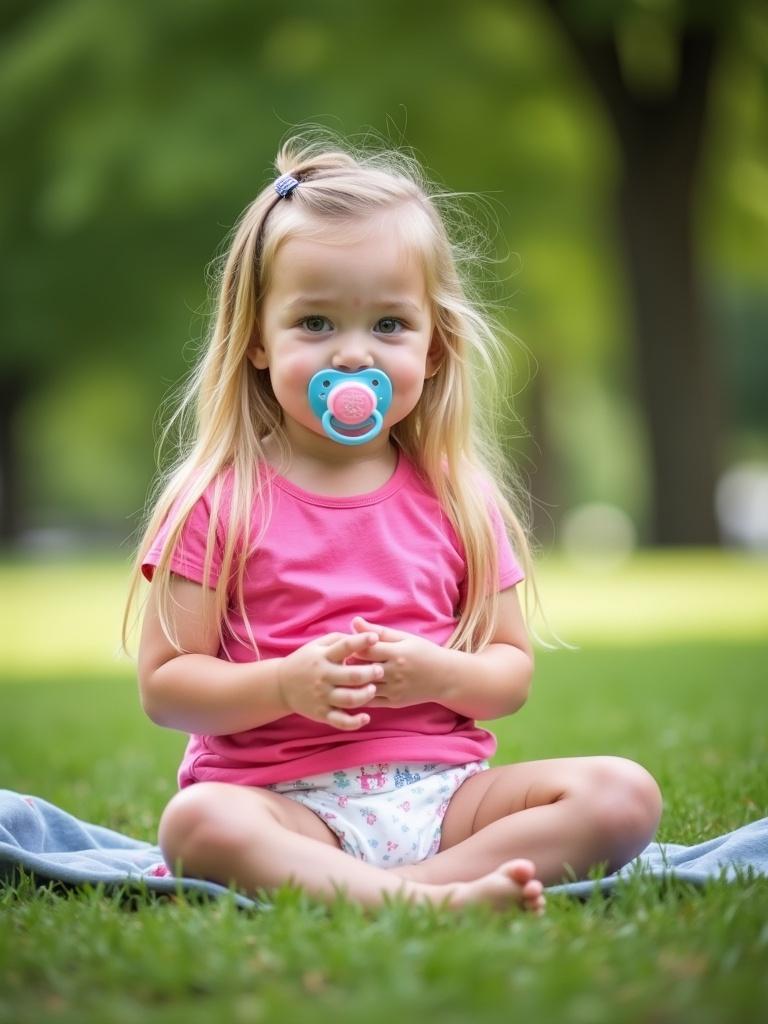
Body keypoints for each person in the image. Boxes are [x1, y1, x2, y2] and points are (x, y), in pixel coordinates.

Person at [124, 134, 662, 913]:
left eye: (387, 326)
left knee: (622, 795)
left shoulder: (457, 495)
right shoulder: (218, 499)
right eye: (314, 323)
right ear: (256, 343)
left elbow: (509, 671)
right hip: (282, 805)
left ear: (435, 346)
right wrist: (285, 684)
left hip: (447, 802)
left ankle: (397, 893)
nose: (351, 356)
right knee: (198, 825)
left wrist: (438, 674)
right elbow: (166, 688)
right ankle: (433, 900)